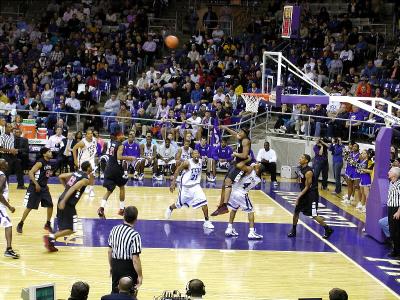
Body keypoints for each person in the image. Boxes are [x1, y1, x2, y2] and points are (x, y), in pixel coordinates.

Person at [43, 161, 92, 252]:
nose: (92, 167)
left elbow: (61, 176)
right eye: (91, 166)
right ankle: (51, 237)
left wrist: (66, 188)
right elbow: (73, 188)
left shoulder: (76, 173)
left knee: (64, 227)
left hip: (62, 198)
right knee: (72, 229)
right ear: (88, 168)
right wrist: (65, 200)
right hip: (67, 203)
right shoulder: (85, 179)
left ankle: (50, 243)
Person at [287, 154, 334, 239]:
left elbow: (307, 187)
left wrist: (298, 197)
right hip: (304, 193)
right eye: (300, 157)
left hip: (311, 195)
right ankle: (293, 230)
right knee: (296, 212)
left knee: (314, 215)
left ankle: (328, 228)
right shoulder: (301, 168)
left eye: (302, 158)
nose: (299, 158)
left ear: (306, 161)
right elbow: (301, 180)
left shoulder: (309, 172)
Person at [165, 149, 214, 229]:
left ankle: (207, 221)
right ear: (192, 155)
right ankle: (170, 208)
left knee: (204, 203)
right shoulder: (187, 163)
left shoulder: (201, 161)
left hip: (196, 186)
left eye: (197, 153)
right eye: (194, 154)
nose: (196, 155)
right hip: (185, 188)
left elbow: (208, 161)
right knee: (178, 205)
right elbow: (177, 170)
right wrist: (173, 183)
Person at [211, 126, 251, 216]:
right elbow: (234, 134)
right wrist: (226, 128)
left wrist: (235, 153)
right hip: (235, 164)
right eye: (239, 131)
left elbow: (245, 155)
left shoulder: (246, 141)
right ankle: (222, 206)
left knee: (228, 182)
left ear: (245, 133)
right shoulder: (241, 138)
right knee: (224, 184)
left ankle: (225, 205)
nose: (239, 132)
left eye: (241, 131)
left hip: (241, 166)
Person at [98, 134, 136, 219]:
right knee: (122, 186)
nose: (124, 136)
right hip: (116, 169)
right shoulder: (121, 145)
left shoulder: (112, 143)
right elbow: (119, 157)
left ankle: (101, 208)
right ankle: (122, 209)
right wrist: (130, 158)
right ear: (118, 136)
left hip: (109, 168)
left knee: (109, 191)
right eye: (122, 135)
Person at [225, 157, 263, 239]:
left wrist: (247, 160)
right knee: (251, 210)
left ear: (257, 170)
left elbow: (241, 166)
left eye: (258, 166)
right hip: (241, 193)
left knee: (234, 209)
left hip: (234, 191)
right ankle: (251, 232)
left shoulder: (250, 170)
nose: (257, 165)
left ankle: (229, 228)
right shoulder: (258, 179)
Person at [17, 148, 53, 234]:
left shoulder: (49, 163)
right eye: (49, 151)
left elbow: (45, 175)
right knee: (30, 207)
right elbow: (30, 173)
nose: (51, 153)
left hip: (44, 188)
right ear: (44, 154)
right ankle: (20, 223)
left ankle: (47, 223)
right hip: (35, 187)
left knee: (50, 205)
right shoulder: (40, 162)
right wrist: (36, 184)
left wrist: (45, 184)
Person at [108, 206, 143, 293]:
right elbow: (135, 259)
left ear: (124, 216)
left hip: (115, 264)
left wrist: (112, 266)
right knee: (130, 293)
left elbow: (109, 251)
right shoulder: (135, 235)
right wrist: (140, 275)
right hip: (128, 267)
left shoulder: (114, 230)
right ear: (136, 219)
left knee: (115, 292)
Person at [0, 159, 19, 258]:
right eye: (5, 162)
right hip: (0, 206)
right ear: (1, 166)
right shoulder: (2, 176)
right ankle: (9, 249)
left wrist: (6, 197)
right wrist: (9, 206)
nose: (7, 163)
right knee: (8, 224)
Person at [72, 129, 97, 197]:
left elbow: (94, 149)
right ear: (86, 135)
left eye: (91, 133)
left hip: (91, 159)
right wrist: (75, 160)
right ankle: (75, 188)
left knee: (92, 174)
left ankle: (91, 190)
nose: (90, 135)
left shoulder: (95, 139)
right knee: (81, 175)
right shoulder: (82, 142)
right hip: (82, 160)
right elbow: (74, 149)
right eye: (89, 133)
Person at [0, 123, 25, 189]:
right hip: (6, 156)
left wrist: (15, 150)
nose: (10, 128)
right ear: (5, 128)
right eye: (9, 127)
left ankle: (20, 185)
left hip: (13, 156)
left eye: (11, 127)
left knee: (19, 170)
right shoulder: (2, 136)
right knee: (6, 172)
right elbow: (0, 148)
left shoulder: (12, 135)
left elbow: (13, 145)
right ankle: (5, 186)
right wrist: (10, 150)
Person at [386, 167, 400, 258]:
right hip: (390, 208)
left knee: (397, 232)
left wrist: (399, 212)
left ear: (395, 174)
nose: (388, 172)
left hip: (396, 210)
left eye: (390, 171)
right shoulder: (391, 183)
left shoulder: (399, 185)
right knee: (392, 231)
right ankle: (395, 250)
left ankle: (398, 252)